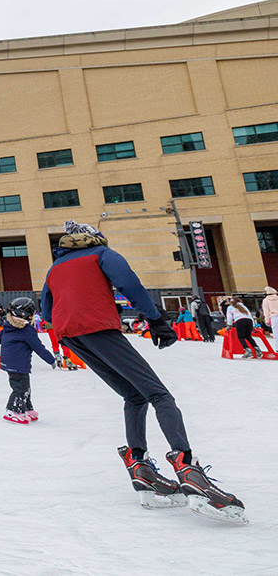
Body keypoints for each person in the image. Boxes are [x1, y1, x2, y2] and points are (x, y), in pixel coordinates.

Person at [41, 220, 245, 523]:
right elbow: (129, 283)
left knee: (134, 395)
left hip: (70, 335)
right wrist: (155, 318)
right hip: (98, 328)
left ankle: (139, 466)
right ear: (95, 237)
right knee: (159, 394)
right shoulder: (102, 253)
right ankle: (187, 466)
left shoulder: (55, 267)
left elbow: (46, 310)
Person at [0, 297, 55, 424]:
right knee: (20, 388)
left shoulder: (8, 326)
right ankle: (13, 410)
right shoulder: (27, 331)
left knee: (25, 387)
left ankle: (26, 408)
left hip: (9, 362)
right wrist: (50, 360)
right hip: (19, 364)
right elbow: (38, 347)